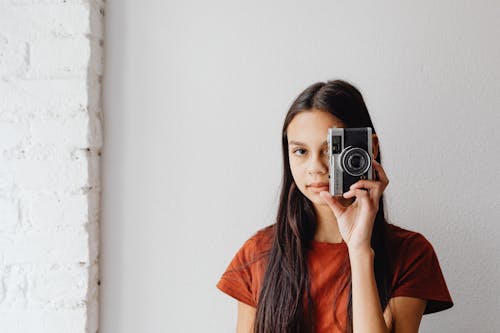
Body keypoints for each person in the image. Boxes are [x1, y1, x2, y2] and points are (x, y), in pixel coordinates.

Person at [216, 79, 453, 333]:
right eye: (300, 151)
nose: (316, 167)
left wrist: (359, 249)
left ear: (368, 148)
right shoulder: (259, 253)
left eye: (331, 150)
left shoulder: (410, 254)